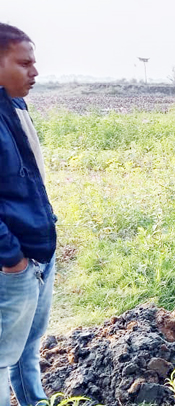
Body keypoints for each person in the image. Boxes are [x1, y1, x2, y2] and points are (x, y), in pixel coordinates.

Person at [0, 23, 57, 406]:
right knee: (2, 360)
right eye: (24, 63)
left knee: (28, 352)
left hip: (38, 251)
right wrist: (12, 260)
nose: (34, 72)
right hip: (14, 263)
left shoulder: (15, 108)